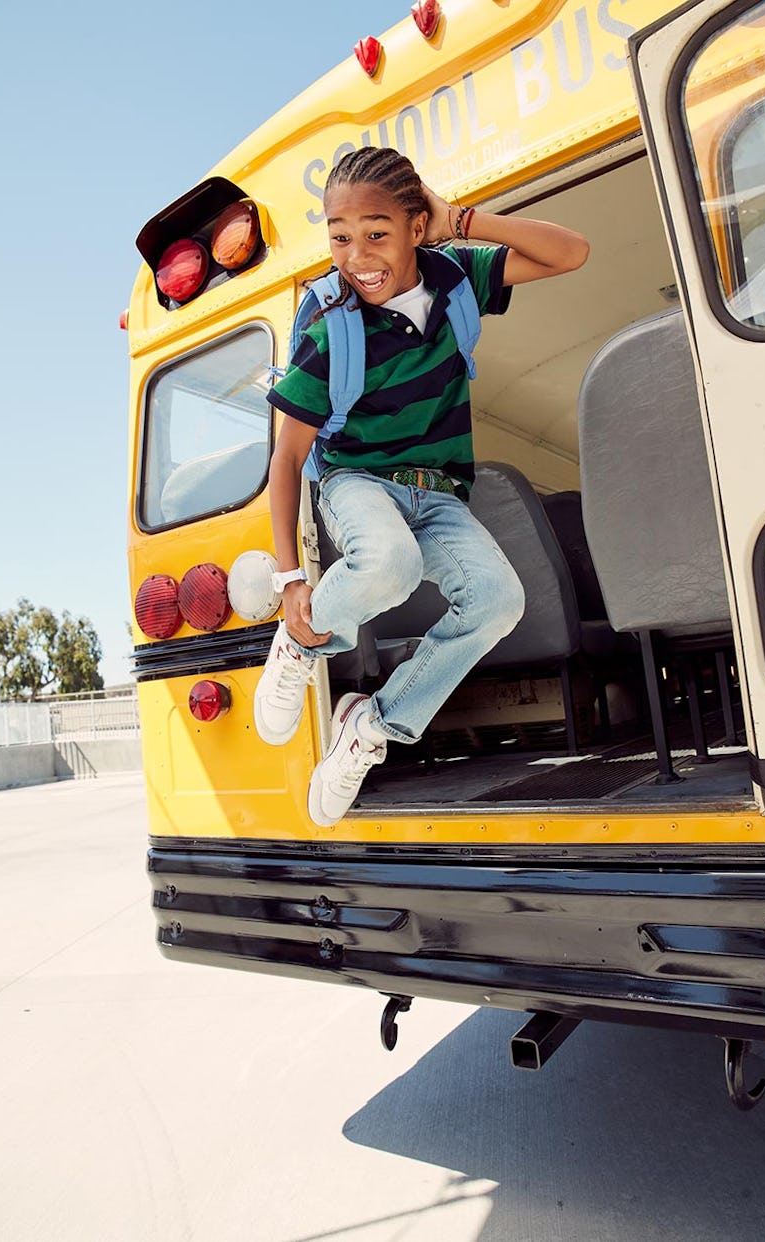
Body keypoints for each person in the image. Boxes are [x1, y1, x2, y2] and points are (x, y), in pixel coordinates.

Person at [255, 146, 589, 826]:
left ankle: (372, 726)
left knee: (500, 600)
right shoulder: (333, 326)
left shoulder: (457, 279)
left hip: (436, 492)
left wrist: (462, 220)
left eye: (377, 232)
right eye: (340, 237)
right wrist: (291, 582)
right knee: (392, 565)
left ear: (416, 224)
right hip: (355, 479)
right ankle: (303, 641)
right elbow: (287, 460)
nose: (358, 256)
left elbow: (571, 252)